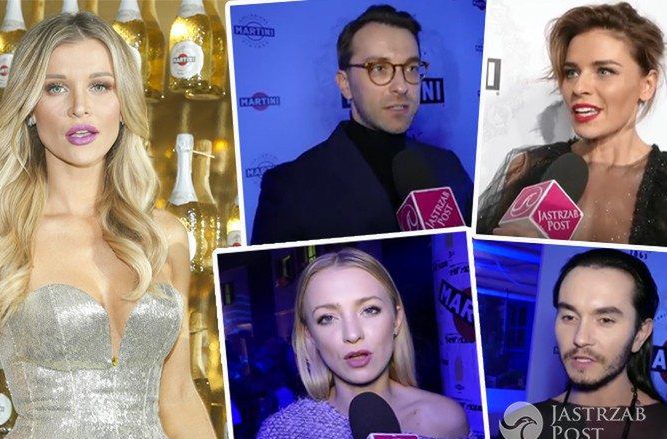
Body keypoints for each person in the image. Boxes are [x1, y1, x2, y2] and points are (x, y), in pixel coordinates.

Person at [0, 13, 215, 438]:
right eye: (55, 87)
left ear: (123, 104)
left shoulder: (164, 235)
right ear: (29, 109)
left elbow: (178, 398)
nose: (80, 107)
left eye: (100, 86)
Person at [250, 5, 473, 245]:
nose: (401, 86)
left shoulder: (448, 166)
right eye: (379, 68)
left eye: (411, 68)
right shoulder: (290, 188)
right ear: (345, 84)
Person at [477, 2, 667, 245]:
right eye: (571, 72)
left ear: (647, 85)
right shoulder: (528, 168)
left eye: (604, 71)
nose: (579, 87)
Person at [256, 248, 470, 439]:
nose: (352, 334)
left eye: (369, 310)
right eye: (327, 318)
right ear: (310, 335)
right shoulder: (283, 431)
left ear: (396, 320)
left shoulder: (446, 420)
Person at [500, 249, 667, 439]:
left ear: (640, 334)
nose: (580, 338)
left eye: (605, 320)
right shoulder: (520, 427)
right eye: (569, 317)